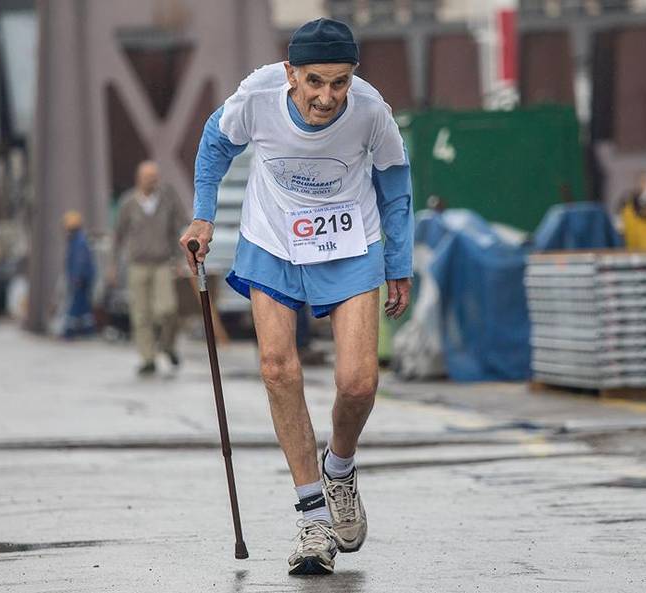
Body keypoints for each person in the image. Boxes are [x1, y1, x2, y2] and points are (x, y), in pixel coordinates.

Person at [179, 18, 413, 575]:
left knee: (358, 381)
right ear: (290, 74)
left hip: (349, 241)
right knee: (278, 369)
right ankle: (313, 519)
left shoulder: (371, 111)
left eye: (339, 83)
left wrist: (399, 263)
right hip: (274, 237)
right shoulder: (257, 96)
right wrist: (203, 215)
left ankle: (340, 468)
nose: (327, 97)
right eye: (314, 82)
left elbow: (395, 182)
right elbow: (215, 143)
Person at [111, 160, 190, 375]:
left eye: (155, 177)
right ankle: (147, 358)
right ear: (139, 179)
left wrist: (181, 258)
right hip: (137, 264)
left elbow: (181, 224)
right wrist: (112, 266)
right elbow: (118, 235)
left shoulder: (167, 198)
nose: (153, 181)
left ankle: (167, 345)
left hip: (162, 262)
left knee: (168, 309)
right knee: (141, 314)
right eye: (148, 178)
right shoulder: (128, 203)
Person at [63, 210, 96, 337]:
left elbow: (79, 261)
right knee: (83, 305)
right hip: (83, 278)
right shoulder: (77, 239)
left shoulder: (79, 241)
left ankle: (69, 331)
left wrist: (76, 277)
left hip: (81, 279)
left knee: (76, 303)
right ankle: (88, 329)